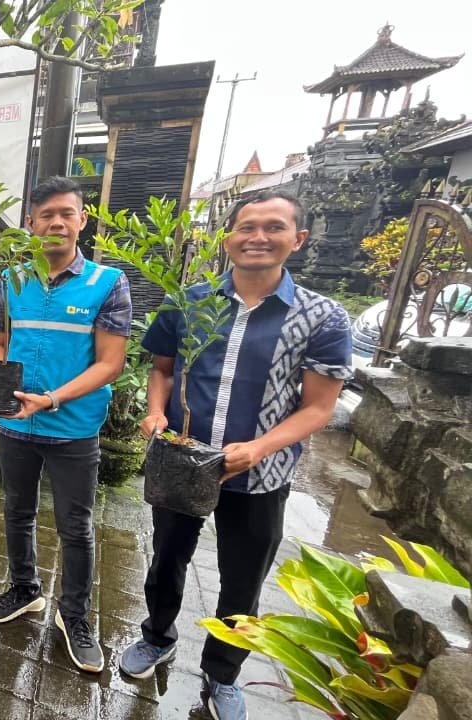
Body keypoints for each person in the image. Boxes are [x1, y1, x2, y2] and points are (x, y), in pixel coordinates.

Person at [117, 190, 351, 720]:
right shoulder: (188, 303)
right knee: (166, 559)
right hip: (183, 461)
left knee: (243, 579)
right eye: (247, 227)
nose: (258, 237)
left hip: (261, 474)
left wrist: (261, 447)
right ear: (229, 239)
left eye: (274, 227)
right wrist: (155, 412)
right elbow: (162, 370)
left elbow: (319, 407)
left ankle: (222, 673)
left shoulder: (322, 317)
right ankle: (157, 636)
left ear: (298, 239)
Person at [0, 177, 131, 677]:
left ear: (82, 220)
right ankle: (25, 589)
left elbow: (110, 363)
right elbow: (0, 340)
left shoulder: (107, 283)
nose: (57, 223)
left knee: (75, 526)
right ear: (31, 223)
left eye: (67, 213)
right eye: (46, 215)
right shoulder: (12, 278)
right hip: (15, 423)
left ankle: (74, 616)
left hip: (73, 428)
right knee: (17, 510)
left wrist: (52, 399)